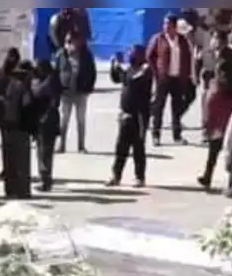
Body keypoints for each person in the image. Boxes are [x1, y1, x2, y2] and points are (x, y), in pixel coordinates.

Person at [107, 45, 153, 187]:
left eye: (133, 53)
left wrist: (119, 68)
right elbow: (117, 78)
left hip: (139, 116)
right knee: (121, 147)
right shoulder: (129, 70)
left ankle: (140, 177)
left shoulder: (146, 70)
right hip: (125, 115)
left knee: (138, 147)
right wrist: (114, 66)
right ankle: (116, 175)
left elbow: (132, 81)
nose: (130, 55)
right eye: (130, 53)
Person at [147, 14, 194, 146]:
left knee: (177, 108)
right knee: (158, 107)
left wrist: (188, 76)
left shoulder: (182, 40)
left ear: (174, 27)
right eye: (164, 24)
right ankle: (156, 135)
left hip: (178, 79)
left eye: (168, 24)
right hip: (163, 79)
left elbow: (188, 58)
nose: (165, 27)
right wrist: (157, 73)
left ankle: (177, 136)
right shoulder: (158, 38)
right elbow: (149, 56)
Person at [198, 62, 232, 190]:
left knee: (213, 154)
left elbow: (209, 105)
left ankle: (207, 176)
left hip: (218, 126)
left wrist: (207, 125)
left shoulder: (216, 84)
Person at [53, 32, 97, 153]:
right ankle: (61, 145)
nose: (70, 44)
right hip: (66, 93)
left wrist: (89, 88)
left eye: (72, 41)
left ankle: (81, 146)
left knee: (81, 120)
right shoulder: (61, 55)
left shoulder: (86, 55)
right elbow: (55, 73)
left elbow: (92, 72)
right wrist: (56, 89)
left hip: (81, 92)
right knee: (64, 120)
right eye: (67, 42)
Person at [0, 60, 37, 199]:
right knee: (22, 161)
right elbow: (27, 107)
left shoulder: (9, 85)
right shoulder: (23, 88)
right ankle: (23, 190)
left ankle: (10, 189)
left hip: (7, 127)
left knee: (9, 160)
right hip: (20, 128)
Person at [31, 59, 62, 192]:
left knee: (44, 152)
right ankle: (45, 177)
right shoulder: (50, 80)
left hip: (47, 120)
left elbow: (38, 92)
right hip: (46, 119)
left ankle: (45, 179)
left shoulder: (50, 82)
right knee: (43, 151)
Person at [0, 47, 22, 179]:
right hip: (5, 112)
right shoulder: (2, 73)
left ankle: (12, 167)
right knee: (8, 142)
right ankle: (8, 167)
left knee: (10, 143)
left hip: (12, 112)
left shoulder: (19, 73)